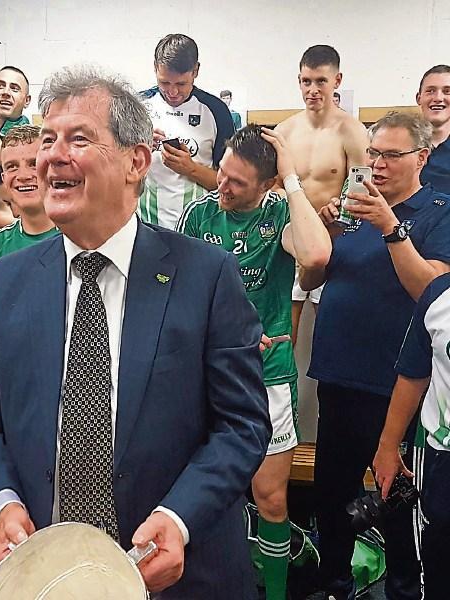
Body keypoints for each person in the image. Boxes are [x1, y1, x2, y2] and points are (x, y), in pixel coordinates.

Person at [0, 64, 270, 599]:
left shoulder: (206, 275)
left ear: (135, 161)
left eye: (79, 138)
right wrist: (2, 503)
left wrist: (179, 517)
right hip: (48, 576)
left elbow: (241, 424)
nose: (52, 155)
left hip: (180, 573)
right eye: (47, 138)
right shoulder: (5, 283)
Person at [178, 124, 331, 600]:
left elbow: (317, 254)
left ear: (266, 185)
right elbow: (182, 296)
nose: (221, 186)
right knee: (208, 495)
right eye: (221, 173)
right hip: (210, 374)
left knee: (270, 499)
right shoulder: (199, 216)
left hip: (268, 376)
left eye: (237, 182)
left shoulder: (282, 212)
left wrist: (291, 179)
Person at [301, 111, 450, 600]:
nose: (378, 165)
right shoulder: (355, 208)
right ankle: (334, 585)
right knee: (333, 497)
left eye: (391, 155)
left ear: (422, 157)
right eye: (373, 155)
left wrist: (390, 227)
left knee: (398, 506)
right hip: (340, 377)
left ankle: (408, 590)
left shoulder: (437, 211)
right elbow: (314, 278)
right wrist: (324, 238)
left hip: (399, 388)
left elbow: (432, 290)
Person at [276, 45, 368, 345]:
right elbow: (272, 188)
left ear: (337, 81)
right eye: (306, 81)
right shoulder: (284, 132)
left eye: (321, 81)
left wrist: (338, 211)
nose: (313, 90)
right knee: (283, 334)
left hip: (333, 243)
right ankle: (280, 391)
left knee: (330, 334)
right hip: (291, 245)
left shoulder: (351, 130)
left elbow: (360, 186)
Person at [372, 272, 450, 600]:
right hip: (440, 456)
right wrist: (387, 447)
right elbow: (412, 377)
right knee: (436, 562)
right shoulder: (438, 295)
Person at [137, 34, 235, 229]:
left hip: (199, 230)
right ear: (155, 68)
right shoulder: (137, 107)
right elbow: (114, 170)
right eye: (164, 83)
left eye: (181, 84)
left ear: (195, 71)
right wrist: (136, 147)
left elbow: (230, 185)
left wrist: (190, 168)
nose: (172, 92)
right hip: (147, 228)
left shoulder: (216, 111)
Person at [0, 124, 59, 258]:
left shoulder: (81, 239)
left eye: (34, 164)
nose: (23, 176)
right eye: (12, 166)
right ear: (4, 179)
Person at [417, 64, 450, 194]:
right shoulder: (399, 145)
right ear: (418, 98)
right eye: (430, 91)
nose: (438, 98)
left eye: (447, 91)